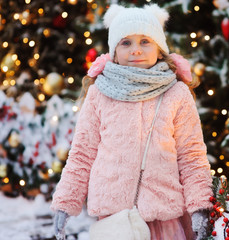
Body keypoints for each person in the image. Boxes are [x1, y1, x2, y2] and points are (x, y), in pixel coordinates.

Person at [51, 4, 213, 240]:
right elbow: (82, 153)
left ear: (159, 50)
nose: (135, 50)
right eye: (126, 42)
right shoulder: (100, 94)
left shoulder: (176, 94)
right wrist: (65, 202)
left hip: (164, 221)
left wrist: (200, 205)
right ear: (114, 52)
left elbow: (191, 155)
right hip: (115, 223)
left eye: (145, 41)